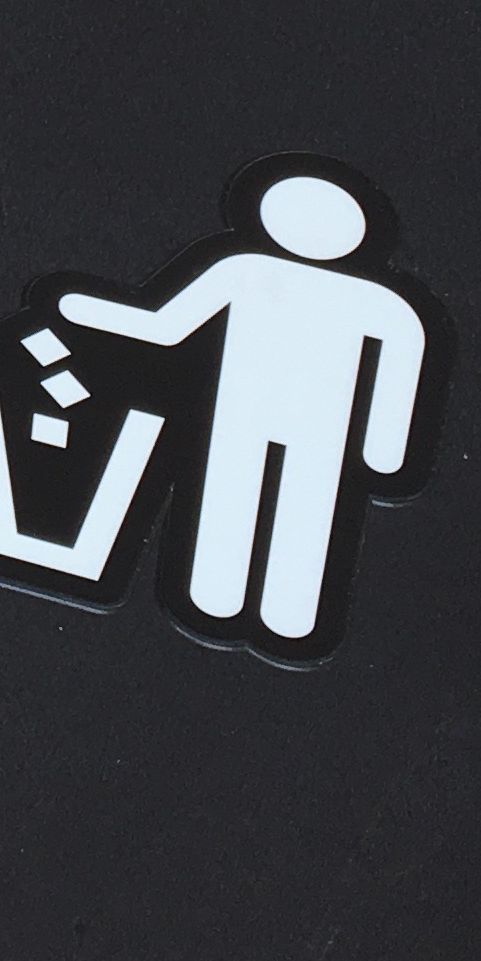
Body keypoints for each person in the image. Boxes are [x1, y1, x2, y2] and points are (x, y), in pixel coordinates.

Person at [50, 172, 428, 644]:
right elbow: (168, 325)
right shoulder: (243, 271)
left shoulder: (376, 302)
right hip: (243, 413)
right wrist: (90, 312)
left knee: (303, 510)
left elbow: (399, 364)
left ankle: (280, 613)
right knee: (233, 497)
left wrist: (383, 450)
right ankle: (216, 598)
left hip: (317, 429)